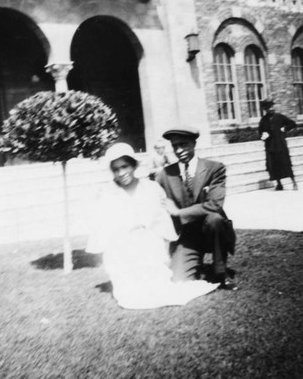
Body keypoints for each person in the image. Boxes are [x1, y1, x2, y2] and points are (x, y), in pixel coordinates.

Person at [87, 142, 218, 309]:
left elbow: (161, 222)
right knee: (130, 297)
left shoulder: (151, 188)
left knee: (157, 287)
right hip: (122, 248)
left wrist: (147, 233)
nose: (122, 173)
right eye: (116, 169)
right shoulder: (107, 193)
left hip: (148, 244)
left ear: (133, 165)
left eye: (125, 166)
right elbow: (103, 227)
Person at [156, 127, 237, 290]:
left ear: (194, 143)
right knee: (178, 281)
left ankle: (220, 271)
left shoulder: (215, 168)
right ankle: (192, 260)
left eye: (183, 145)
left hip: (212, 231)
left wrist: (179, 212)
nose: (179, 150)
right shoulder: (164, 175)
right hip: (186, 235)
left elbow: (214, 204)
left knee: (215, 218)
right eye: (175, 146)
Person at [259, 99, 298, 191]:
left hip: (280, 145)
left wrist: (285, 128)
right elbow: (260, 132)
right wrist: (263, 136)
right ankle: (279, 184)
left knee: (286, 164)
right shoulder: (263, 120)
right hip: (270, 146)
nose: (271, 109)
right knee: (273, 166)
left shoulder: (279, 117)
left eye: (272, 107)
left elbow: (292, 123)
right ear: (265, 109)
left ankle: (294, 182)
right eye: (268, 107)